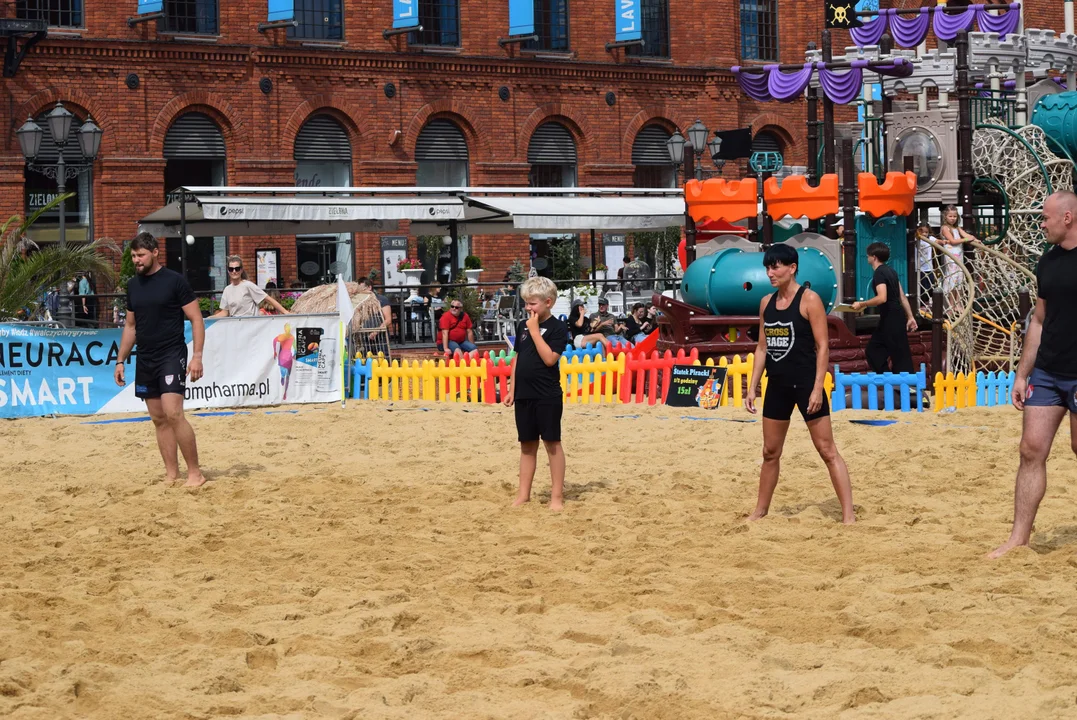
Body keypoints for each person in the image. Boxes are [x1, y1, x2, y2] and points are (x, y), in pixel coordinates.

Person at [990, 191, 1077, 558]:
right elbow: (1038, 320)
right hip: (1048, 370)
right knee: (1030, 450)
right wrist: (1022, 374)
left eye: (1045, 218)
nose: (1041, 224)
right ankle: (1018, 538)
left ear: (1068, 217)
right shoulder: (1047, 261)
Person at [745, 244, 854, 524]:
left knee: (827, 450)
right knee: (770, 452)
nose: (770, 272)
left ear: (792, 268)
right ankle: (760, 510)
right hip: (778, 385)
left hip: (806, 385)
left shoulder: (810, 300)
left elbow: (823, 346)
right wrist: (752, 386)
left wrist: (818, 388)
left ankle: (848, 515)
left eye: (776, 266)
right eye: (768, 267)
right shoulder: (766, 303)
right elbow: (762, 347)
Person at [113, 232, 207, 488]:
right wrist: (121, 360)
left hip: (171, 353)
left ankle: (195, 473)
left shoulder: (175, 281)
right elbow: (130, 326)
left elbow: (196, 319)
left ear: (155, 252)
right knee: (158, 419)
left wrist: (197, 356)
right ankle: (171, 474)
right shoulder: (133, 285)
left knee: (174, 413)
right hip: (145, 357)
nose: (136, 260)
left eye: (140, 255)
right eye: (133, 256)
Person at [504, 276, 570, 511]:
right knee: (526, 445)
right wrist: (512, 389)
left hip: (547, 394)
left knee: (552, 443)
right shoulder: (523, 325)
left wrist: (535, 332)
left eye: (532, 304)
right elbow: (517, 358)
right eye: (526, 303)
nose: (528, 308)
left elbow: (550, 359)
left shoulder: (558, 328)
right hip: (524, 394)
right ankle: (523, 495)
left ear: (548, 302)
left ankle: (556, 498)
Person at [852, 242, 917, 374]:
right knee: (887, 350)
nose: (867, 258)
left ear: (874, 257)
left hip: (890, 317)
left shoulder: (879, 273)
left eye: (868, 255)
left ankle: (895, 382)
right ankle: (894, 380)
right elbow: (902, 297)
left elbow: (882, 298)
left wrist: (862, 304)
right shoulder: (891, 271)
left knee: (883, 351)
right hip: (895, 316)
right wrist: (910, 317)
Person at [213, 256, 290, 317]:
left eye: (237, 269)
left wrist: (285, 312)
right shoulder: (227, 290)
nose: (234, 271)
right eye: (231, 269)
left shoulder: (248, 285)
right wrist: (209, 318)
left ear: (241, 270)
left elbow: (268, 298)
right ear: (228, 270)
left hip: (250, 326)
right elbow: (225, 312)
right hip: (236, 326)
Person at [940, 204, 975, 306]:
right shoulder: (945, 228)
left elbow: (967, 235)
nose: (952, 218)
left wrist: (975, 239)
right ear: (945, 216)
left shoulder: (957, 228)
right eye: (950, 216)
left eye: (954, 216)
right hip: (951, 257)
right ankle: (951, 305)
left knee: (960, 278)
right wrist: (967, 239)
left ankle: (958, 304)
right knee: (952, 279)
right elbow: (953, 241)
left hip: (959, 256)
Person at [915, 222, 937, 313]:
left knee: (930, 286)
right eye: (922, 232)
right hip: (918, 268)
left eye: (926, 232)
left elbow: (938, 241)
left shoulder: (930, 239)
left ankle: (927, 303)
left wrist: (945, 242)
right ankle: (921, 304)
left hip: (928, 268)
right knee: (921, 286)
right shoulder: (916, 239)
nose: (924, 234)